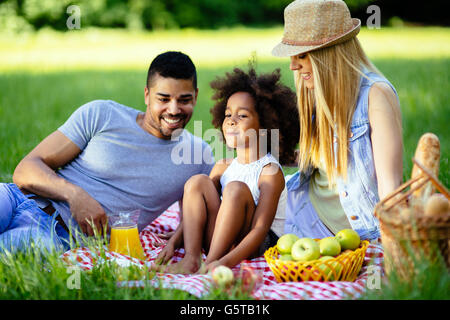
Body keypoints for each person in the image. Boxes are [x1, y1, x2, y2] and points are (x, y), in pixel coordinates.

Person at [0, 51, 214, 254]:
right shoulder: (102, 114)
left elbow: (208, 215)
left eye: (184, 100)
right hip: (15, 198)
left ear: (195, 97)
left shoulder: (198, 156)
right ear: (147, 95)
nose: (174, 109)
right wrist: (75, 195)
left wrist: (180, 235)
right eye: (164, 99)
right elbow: (25, 169)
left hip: (57, 235)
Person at [271, 0, 403, 241]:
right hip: (302, 215)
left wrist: (394, 245)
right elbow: (327, 163)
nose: (292, 66)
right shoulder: (316, 92)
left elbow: (390, 186)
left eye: (301, 55)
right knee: (229, 192)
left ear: (329, 54)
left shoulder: (376, 95)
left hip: (355, 233)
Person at [153, 66, 299, 273]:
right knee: (198, 182)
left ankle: (208, 263)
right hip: (222, 239)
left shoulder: (269, 172)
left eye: (242, 116)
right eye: (228, 114)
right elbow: (197, 206)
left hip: (253, 246)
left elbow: (260, 230)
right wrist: (175, 241)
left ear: (266, 123)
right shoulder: (224, 165)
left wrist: (222, 263)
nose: (231, 120)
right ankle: (192, 259)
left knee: (235, 189)